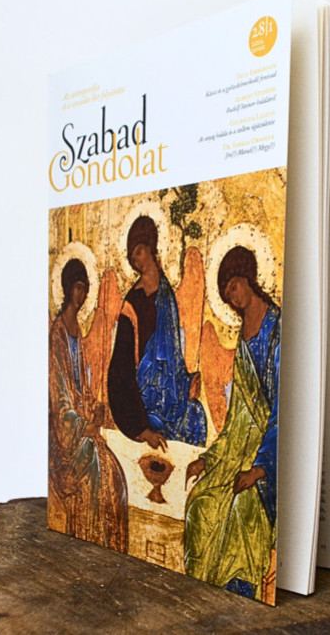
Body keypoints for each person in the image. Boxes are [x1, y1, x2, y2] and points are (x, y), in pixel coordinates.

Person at [183, 245, 279, 600]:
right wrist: (209, 459)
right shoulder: (242, 342)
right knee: (201, 503)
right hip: (240, 449)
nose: (234, 298)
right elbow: (238, 414)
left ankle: (239, 596)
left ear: (248, 278)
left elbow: (285, 410)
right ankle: (202, 594)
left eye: (234, 287)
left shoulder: (278, 330)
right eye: (227, 295)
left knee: (242, 507)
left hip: (271, 458)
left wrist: (259, 469)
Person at [49, 258, 128, 552]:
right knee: (94, 460)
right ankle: (89, 539)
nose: (81, 295)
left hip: (80, 425)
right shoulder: (58, 334)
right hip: (64, 440)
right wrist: (83, 425)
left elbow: (81, 387)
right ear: (68, 288)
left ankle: (107, 545)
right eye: (78, 288)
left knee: (114, 470)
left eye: (85, 289)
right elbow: (59, 399)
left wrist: (94, 408)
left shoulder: (77, 331)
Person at [107, 216, 207, 448]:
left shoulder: (166, 294)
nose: (137, 261)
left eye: (139, 252)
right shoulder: (133, 302)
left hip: (169, 394)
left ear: (151, 248)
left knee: (196, 414)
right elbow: (120, 369)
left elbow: (173, 358)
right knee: (163, 425)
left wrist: (188, 382)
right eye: (132, 258)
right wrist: (141, 428)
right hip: (144, 400)